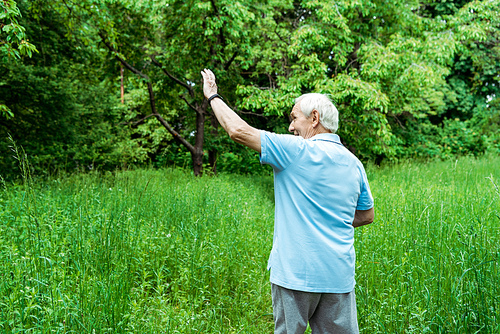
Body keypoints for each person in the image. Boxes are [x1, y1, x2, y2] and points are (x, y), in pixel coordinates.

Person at [201, 69, 374, 334]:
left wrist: (213, 95)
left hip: (296, 275)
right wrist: (328, 218)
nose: (291, 127)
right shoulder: (354, 163)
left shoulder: (295, 150)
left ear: (314, 118)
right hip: (338, 277)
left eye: (294, 118)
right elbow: (366, 215)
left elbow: (237, 130)